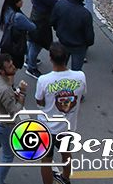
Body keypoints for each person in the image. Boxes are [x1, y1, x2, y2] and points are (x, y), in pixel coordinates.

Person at [34, 43, 87, 184]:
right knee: (66, 153)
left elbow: (39, 101)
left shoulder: (44, 80)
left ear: (50, 58)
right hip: (67, 127)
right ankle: (65, 178)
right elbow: (81, 94)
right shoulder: (80, 76)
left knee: (46, 160)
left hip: (47, 127)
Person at [0, 54, 29, 184]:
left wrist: (11, 97)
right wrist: (22, 93)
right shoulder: (4, 90)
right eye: (10, 67)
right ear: (2, 71)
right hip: (6, 126)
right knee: (8, 155)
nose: (14, 68)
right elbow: (15, 111)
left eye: (12, 64)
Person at [50, 0, 95, 71]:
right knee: (76, 71)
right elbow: (89, 37)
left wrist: (58, 30)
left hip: (63, 41)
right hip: (79, 46)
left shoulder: (60, 5)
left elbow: (52, 21)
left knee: (60, 68)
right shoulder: (85, 14)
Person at [27, 0, 58, 75]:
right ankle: (31, 67)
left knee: (32, 38)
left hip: (36, 12)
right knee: (37, 42)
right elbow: (53, 0)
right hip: (43, 16)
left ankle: (29, 59)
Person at [0, 0, 37, 70]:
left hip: (6, 45)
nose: (22, 2)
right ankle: (10, 83)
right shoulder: (18, 17)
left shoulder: (6, 10)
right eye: (20, 0)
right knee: (13, 69)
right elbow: (32, 27)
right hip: (16, 47)